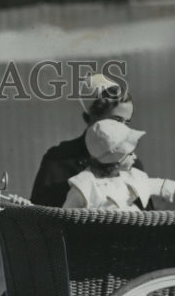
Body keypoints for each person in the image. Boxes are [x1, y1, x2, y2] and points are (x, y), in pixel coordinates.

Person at [30, 72, 143, 207]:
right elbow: (38, 216)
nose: (123, 128)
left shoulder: (132, 164)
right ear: (88, 118)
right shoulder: (58, 160)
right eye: (116, 120)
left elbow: (147, 220)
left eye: (127, 122)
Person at [62, 119, 175, 210]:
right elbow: (65, 216)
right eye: (129, 154)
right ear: (115, 161)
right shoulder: (85, 187)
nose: (135, 157)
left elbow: (152, 184)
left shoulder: (127, 177)